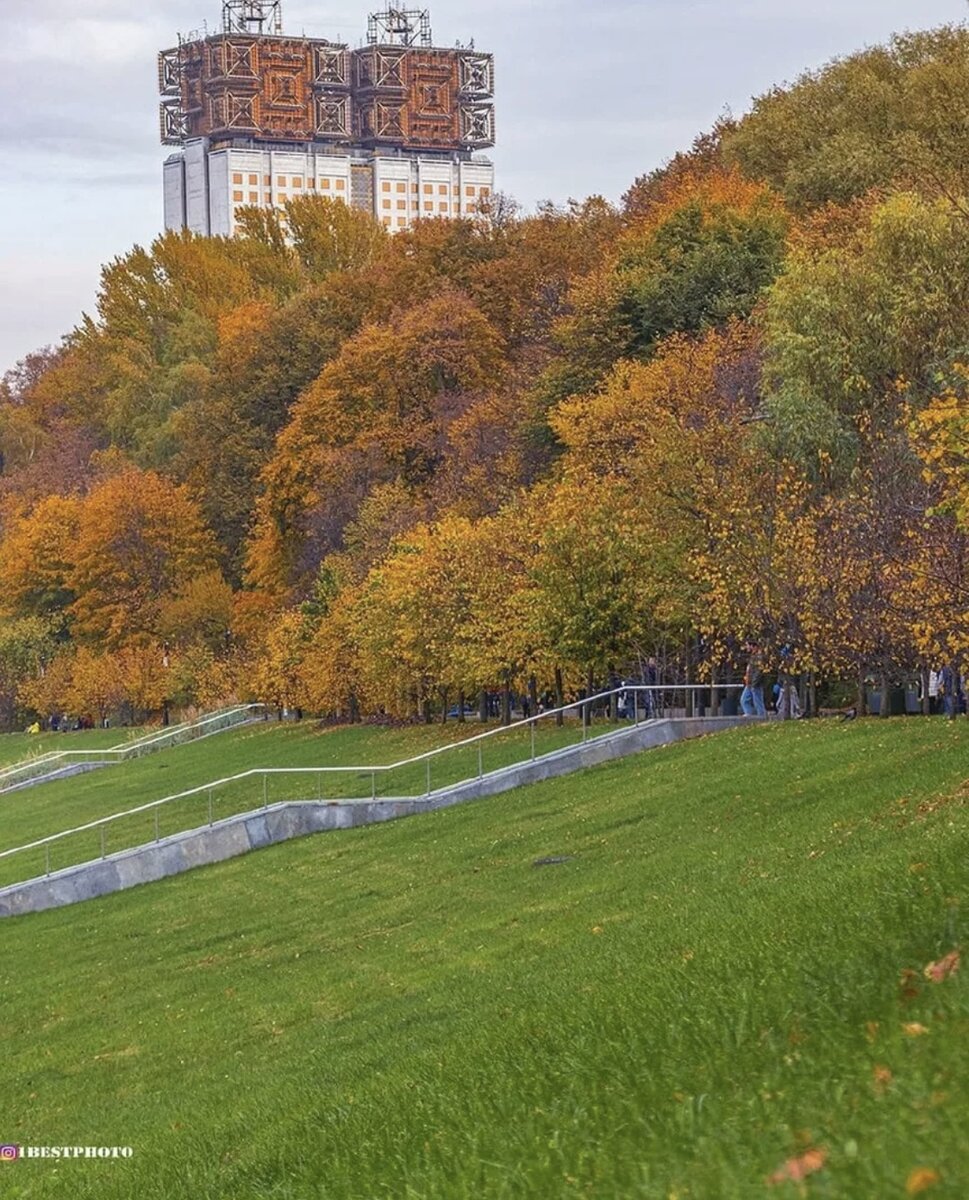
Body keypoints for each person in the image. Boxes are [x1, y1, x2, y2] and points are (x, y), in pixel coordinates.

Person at [741, 643, 767, 718]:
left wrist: (754, 683)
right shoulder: (753, 656)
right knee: (744, 700)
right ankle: (748, 714)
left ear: (753, 646)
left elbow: (759, 672)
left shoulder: (759, 656)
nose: (746, 647)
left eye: (747, 645)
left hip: (755, 684)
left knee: (758, 702)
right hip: (749, 683)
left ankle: (762, 718)